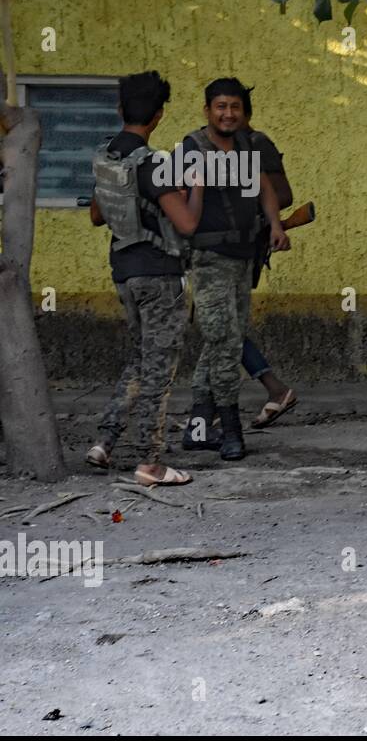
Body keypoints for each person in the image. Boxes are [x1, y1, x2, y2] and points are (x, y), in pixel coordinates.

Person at [85, 70, 204, 486]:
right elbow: (186, 223)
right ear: (159, 116)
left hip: (124, 273)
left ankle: (105, 441)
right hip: (160, 275)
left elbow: (98, 215)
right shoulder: (154, 165)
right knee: (159, 371)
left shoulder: (106, 156)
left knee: (138, 360)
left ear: (120, 110)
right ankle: (151, 463)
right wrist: (197, 184)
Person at [180, 78, 289, 461]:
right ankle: (231, 431)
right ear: (208, 110)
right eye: (221, 107)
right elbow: (173, 202)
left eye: (235, 107)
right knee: (225, 344)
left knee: (222, 340)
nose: (228, 114)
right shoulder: (191, 149)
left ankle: (197, 429)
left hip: (244, 257)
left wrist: (275, 225)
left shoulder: (246, 144)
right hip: (208, 260)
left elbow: (265, 189)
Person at [238, 86, 298, 429]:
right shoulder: (213, 148)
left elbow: (284, 194)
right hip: (220, 251)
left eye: (235, 108)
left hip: (245, 248)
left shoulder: (258, 144)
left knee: (222, 327)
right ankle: (274, 389)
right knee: (221, 327)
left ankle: (275, 389)